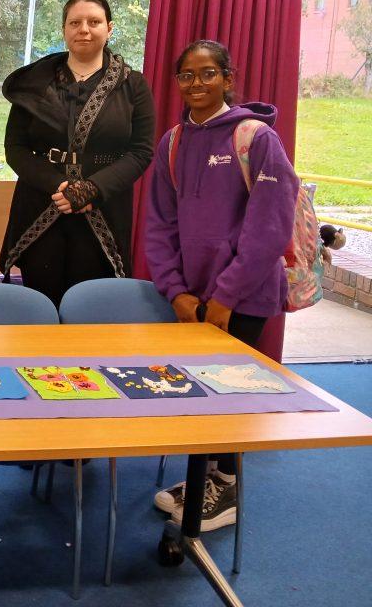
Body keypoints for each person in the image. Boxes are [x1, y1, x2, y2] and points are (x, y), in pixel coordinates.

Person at [146, 39, 299, 532]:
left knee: (227, 394)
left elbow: (268, 230)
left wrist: (226, 296)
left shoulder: (256, 139)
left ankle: (226, 487)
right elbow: (159, 226)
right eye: (186, 75)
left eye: (208, 74)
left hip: (244, 298)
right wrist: (176, 290)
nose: (196, 84)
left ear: (228, 78)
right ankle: (202, 476)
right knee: (196, 392)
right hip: (192, 298)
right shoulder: (171, 144)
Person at [0, 0, 155, 307]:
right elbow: (15, 147)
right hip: (42, 202)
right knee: (40, 304)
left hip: (103, 209)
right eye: (75, 22)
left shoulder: (133, 85)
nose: (84, 29)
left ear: (109, 28)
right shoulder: (36, 81)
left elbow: (140, 151)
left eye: (94, 22)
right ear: (64, 30)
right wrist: (60, 187)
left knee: (93, 309)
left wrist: (92, 190)